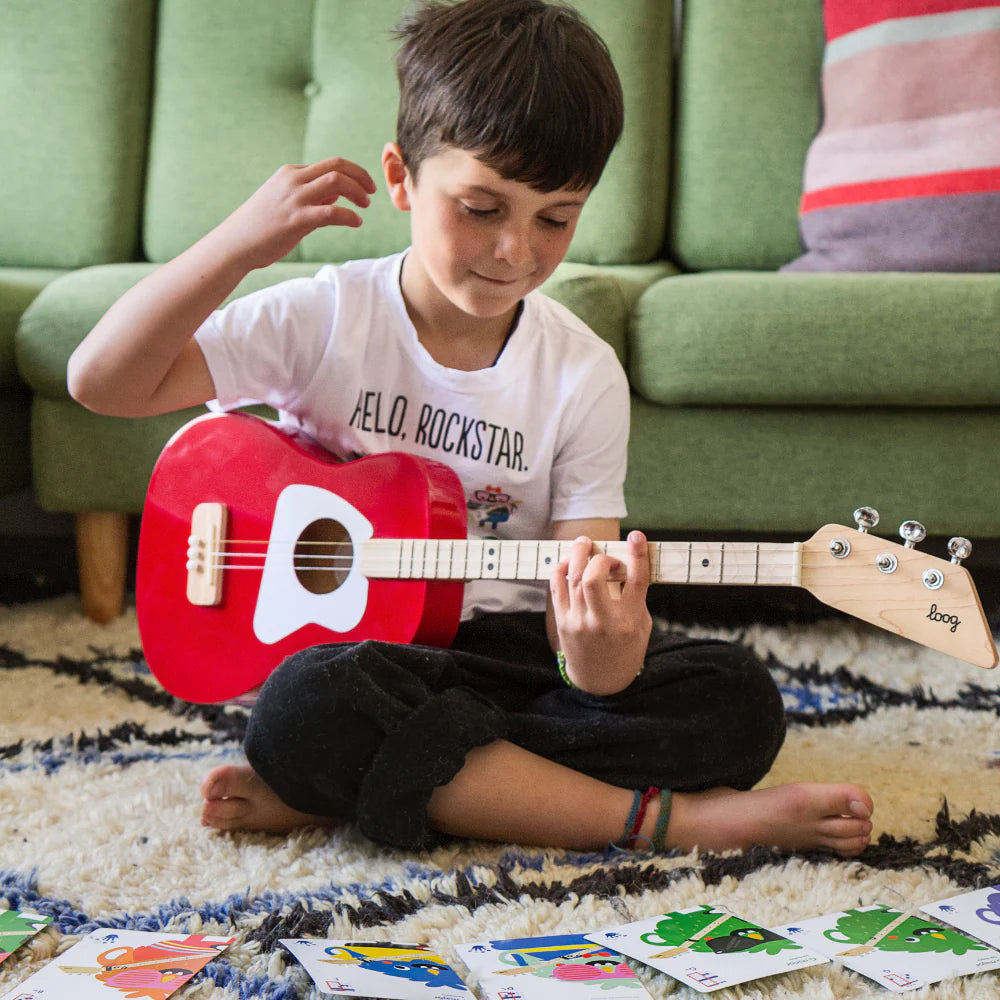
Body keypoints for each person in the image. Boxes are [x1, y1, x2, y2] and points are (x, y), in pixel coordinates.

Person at [68, 0, 873, 856]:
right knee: (308, 703)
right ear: (403, 178)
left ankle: (360, 787)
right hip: (367, 658)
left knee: (738, 699)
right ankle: (668, 822)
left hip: (510, 659)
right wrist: (235, 245)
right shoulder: (325, 315)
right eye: (482, 208)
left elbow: (583, 641)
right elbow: (103, 382)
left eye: (556, 218)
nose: (516, 252)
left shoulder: (582, 371)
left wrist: (605, 653)